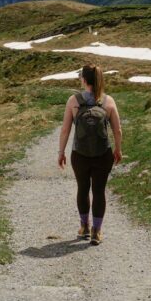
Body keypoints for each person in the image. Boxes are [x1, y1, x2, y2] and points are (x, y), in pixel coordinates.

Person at [57, 63, 123, 246]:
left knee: (83, 188)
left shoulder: (74, 101)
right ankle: (97, 231)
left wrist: (61, 152)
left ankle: (84, 227)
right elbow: (117, 130)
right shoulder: (108, 101)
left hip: (80, 154)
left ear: (84, 80)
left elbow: (65, 130)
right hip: (103, 154)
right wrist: (118, 149)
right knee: (99, 191)